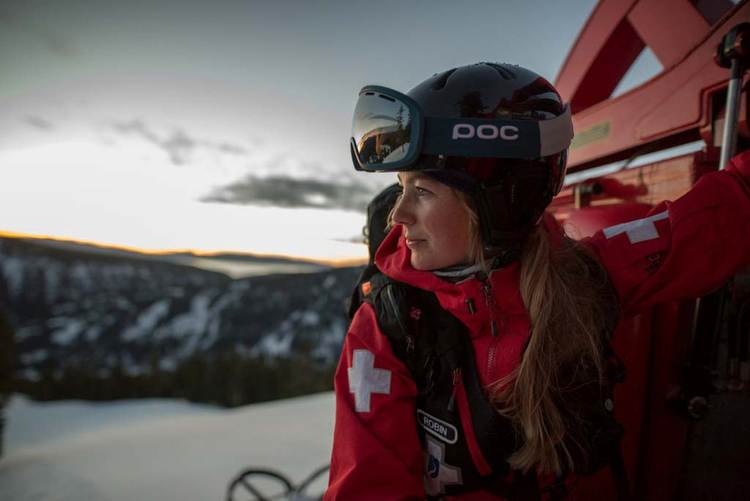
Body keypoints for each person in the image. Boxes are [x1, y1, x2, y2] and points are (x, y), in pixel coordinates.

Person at [325, 62, 750, 500]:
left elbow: (719, 215)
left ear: (502, 202)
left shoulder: (582, 278)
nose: (398, 215)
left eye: (423, 191)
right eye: (401, 187)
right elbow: (367, 484)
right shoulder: (389, 323)